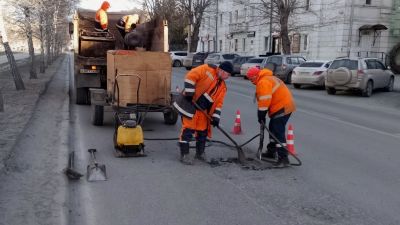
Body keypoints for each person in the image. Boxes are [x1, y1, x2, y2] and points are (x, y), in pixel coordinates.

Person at [173, 62, 233, 165]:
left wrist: (216, 117)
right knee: (188, 130)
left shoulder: (222, 87)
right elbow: (190, 76)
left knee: (202, 133)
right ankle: (185, 154)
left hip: (203, 111)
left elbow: (218, 103)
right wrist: (190, 93)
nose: (228, 77)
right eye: (227, 75)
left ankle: (200, 153)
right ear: (222, 71)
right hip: (190, 105)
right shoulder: (207, 69)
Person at [246, 67, 296, 167]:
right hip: (284, 105)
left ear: (256, 76)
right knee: (273, 128)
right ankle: (272, 151)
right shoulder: (267, 78)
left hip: (281, 107)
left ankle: (283, 158)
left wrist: (261, 115)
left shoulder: (263, 82)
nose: (251, 82)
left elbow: (265, 100)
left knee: (278, 131)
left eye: (251, 79)